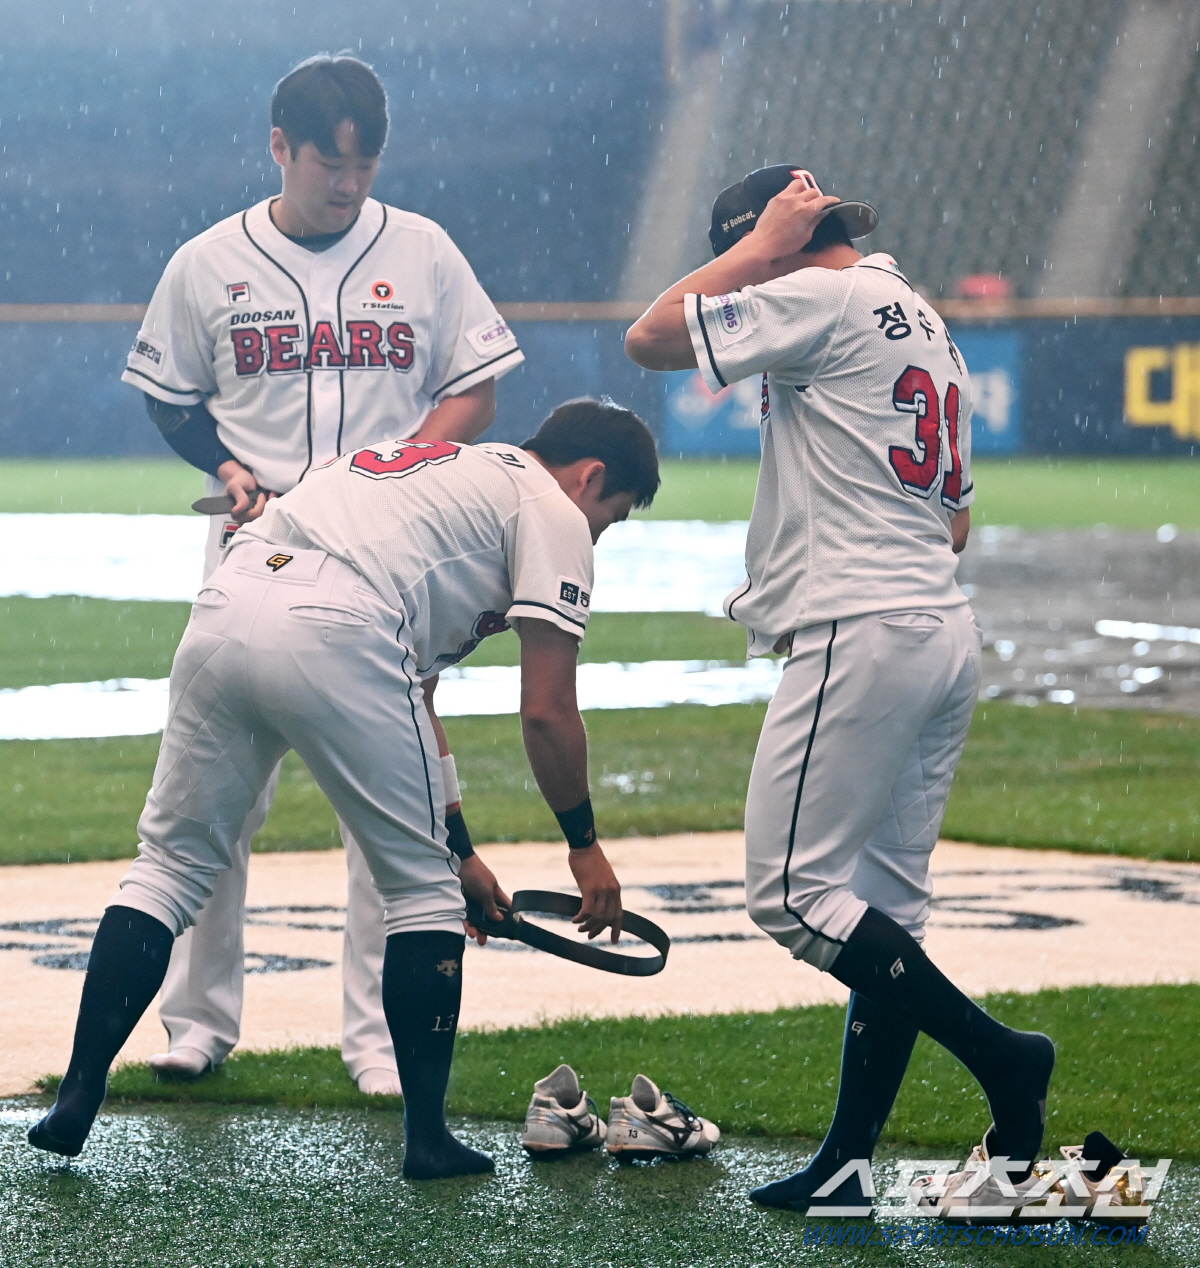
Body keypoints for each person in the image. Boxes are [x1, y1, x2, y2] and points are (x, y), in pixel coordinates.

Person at [29, 398, 660, 1178]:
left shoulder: (441, 471)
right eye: (610, 518)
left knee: (168, 867)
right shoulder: (552, 508)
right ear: (590, 476)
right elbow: (548, 711)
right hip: (341, 623)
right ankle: (428, 1142)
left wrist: (462, 850)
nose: (597, 535)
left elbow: (416, 698)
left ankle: (78, 1093)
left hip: (230, 598)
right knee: (421, 896)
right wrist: (584, 847)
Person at [625, 166, 1055, 1215]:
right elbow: (956, 521)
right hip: (940, 628)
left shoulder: (820, 294)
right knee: (885, 908)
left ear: (776, 241)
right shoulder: (924, 317)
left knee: (791, 895)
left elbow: (650, 337)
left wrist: (755, 249)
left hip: (859, 628)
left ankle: (1007, 1059)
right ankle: (848, 1164)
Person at [120, 54, 524, 1095]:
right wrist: (225, 464)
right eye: (328, 164)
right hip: (252, 553)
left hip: (386, 570)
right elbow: (170, 396)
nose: (348, 185)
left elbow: (475, 387)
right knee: (215, 803)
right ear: (279, 148)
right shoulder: (209, 262)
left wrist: (401, 473)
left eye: (364, 165)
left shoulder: (423, 250)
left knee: (389, 809)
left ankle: (378, 1039)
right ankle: (197, 1023)